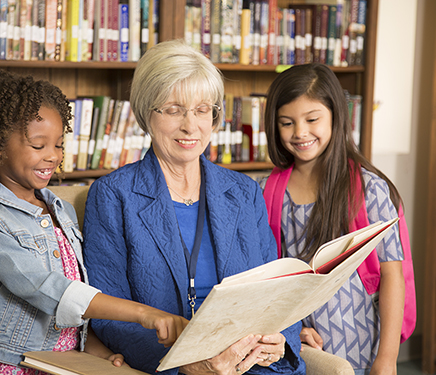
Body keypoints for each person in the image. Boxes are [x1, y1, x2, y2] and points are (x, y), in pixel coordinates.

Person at [82, 39, 306, 375]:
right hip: (173, 365)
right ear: (146, 113)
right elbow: (107, 313)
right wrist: (185, 364)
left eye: (203, 110)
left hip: (250, 363)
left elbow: (276, 287)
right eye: (173, 109)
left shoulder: (243, 191)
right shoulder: (113, 195)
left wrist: (281, 339)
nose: (191, 126)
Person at [0, 70, 188, 375]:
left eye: (59, 145)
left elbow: (76, 304)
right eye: (38, 146)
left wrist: (100, 352)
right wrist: (142, 314)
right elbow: (53, 291)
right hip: (11, 364)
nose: (52, 156)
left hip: (61, 363)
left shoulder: (59, 209)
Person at [262, 63, 411, 375]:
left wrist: (387, 360)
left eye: (312, 119)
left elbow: (392, 276)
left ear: (336, 116)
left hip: (361, 340)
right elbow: (270, 278)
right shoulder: (267, 191)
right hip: (301, 344)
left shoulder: (369, 188)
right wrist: (293, 330)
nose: (300, 132)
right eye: (286, 122)